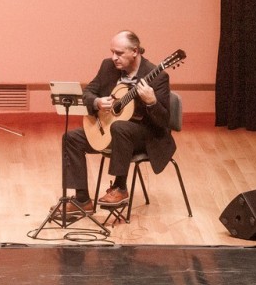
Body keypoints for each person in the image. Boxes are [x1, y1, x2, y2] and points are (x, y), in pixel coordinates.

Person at [59, 30, 174, 211]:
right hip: (111, 128)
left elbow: (164, 121)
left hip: (145, 135)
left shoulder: (157, 76)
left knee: (120, 127)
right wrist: (97, 102)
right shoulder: (108, 67)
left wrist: (152, 102)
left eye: (119, 53)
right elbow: (87, 93)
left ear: (135, 51)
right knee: (71, 138)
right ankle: (82, 200)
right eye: (112, 52)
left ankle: (120, 187)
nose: (114, 57)